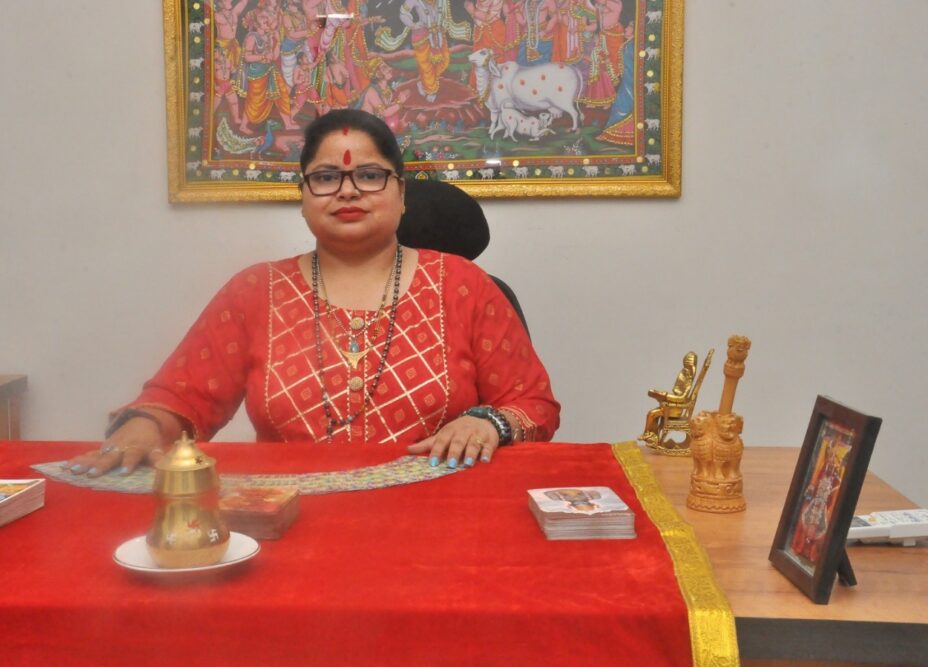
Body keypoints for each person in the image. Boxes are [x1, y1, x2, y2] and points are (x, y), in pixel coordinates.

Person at [63, 109, 560, 478]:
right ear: (302, 198)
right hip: (287, 516)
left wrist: (488, 423)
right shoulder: (255, 292)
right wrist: (145, 427)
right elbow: (181, 396)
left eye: (370, 175)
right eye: (325, 178)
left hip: (440, 515)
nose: (347, 191)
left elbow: (533, 404)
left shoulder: (464, 286)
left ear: (402, 194)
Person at [639, 351, 697, 444]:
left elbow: (682, 398)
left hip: (675, 409)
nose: (685, 369)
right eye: (685, 366)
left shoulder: (689, 380)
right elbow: (676, 390)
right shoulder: (684, 375)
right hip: (672, 404)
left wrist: (665, 395)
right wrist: (663, 396)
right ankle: (653, 436)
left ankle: (647, 434)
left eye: (688, 366)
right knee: (655, 413)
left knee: (651, 414)